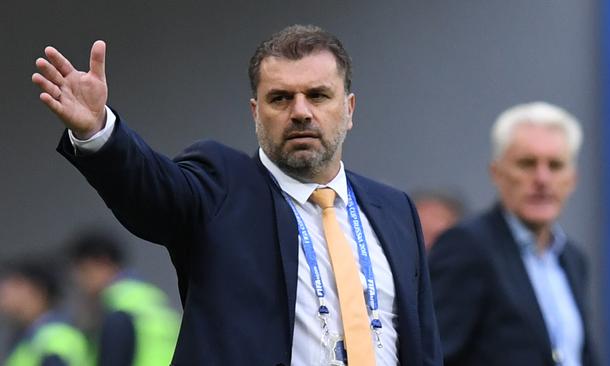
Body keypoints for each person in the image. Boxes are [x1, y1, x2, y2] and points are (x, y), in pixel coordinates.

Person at [31, 25, 442, 365]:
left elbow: (421, 341)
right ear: (254, 112)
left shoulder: (394, 209)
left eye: (318, 95)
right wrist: (99, 131)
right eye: (280, 98)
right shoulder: (222, 185)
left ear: (349, 108)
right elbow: (150, 191)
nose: (300, 111)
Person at [428, 102, 599, 366]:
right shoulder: (466, 247)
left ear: (572, 179)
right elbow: (435, 356)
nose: (542, 179)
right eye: (527, 164)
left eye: (555, 165)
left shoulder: (573, 259)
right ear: (497, 173)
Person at [67, 231, 180, 366]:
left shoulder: (117, 311)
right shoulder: (153, 300)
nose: (78, 280)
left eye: (83, 271)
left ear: (102, 262)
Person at [0, 259, 88, 366]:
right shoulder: (30, 337)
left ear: (35, 290)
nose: (3, 292)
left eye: (14, 285)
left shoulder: (56, 336)